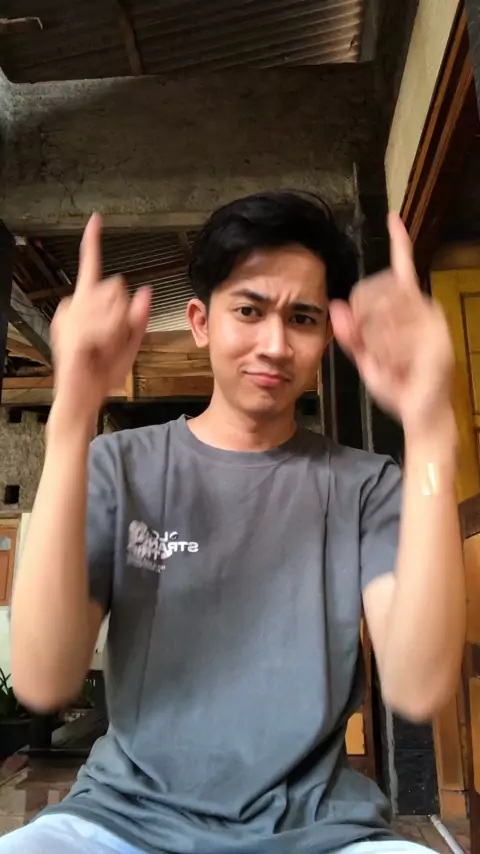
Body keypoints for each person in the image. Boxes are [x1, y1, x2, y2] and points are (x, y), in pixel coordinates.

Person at [2, 192, 465, 854]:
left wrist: (430, 429)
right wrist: (72, 413)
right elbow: (43, 679)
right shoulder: (121, 466)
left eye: (301, 318)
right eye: (249, 310)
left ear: (327, 336)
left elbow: (418, 689)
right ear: (200, 322)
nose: (274, 345)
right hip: (121, 821)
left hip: (319, 829)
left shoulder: (364, 486)